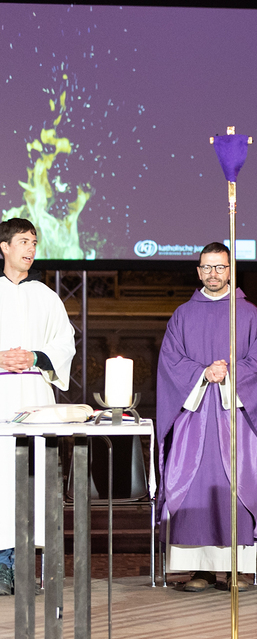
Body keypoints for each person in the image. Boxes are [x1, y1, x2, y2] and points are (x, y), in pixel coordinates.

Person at [156, 242, 257, 592]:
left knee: (235, 486)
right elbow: (170, 362)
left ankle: (236, 569)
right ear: (198, 272)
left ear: (231, 270)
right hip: (193, 419)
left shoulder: (251, 315)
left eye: (220, 267)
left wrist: (230, 373)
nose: (213, 273)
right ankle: (201, 570)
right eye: (207, 267)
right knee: (193, 487)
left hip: (236, 417)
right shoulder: (182, 315)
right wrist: (202, 372)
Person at [0, 218, 76, 596]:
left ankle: (27, 567)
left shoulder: (46, 296)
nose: (30, 248)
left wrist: (33, 356)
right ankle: (3, 567)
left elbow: (65, 343)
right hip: (1, 394)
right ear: (4, 247)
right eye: (23, 241)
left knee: (30, 481)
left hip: (34, 394)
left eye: (34, 242)